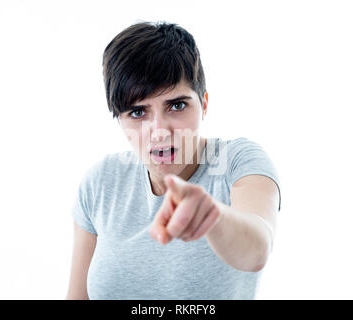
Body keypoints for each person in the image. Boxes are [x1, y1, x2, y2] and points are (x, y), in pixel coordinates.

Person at [66, 21, 282, 300]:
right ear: (118, 117)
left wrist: (210, 215)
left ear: (203, 104)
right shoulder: (100, 182)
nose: (159, 131)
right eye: (137, 112)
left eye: (177, 105)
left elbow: (257, 247)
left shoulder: (239, 162)